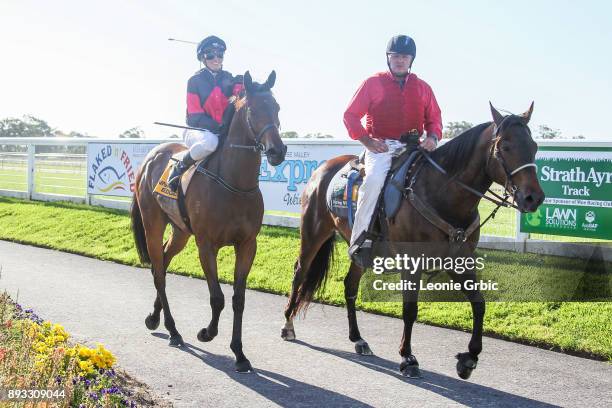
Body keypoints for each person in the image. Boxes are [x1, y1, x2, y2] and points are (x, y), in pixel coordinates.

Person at [343, 34, 443, 265]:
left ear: (411, 60)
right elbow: (350, 116)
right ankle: (360, 241)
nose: (400, 60)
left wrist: (434, 137)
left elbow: (435, 117)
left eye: (405, 57)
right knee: (374, 181)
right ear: (388, 58)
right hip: (381, 147)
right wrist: (367, 142)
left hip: (413, 146)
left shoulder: (423, 87)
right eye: (395, 56)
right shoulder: (372, 83)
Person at [168, 35, 243, 189]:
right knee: (210, 143)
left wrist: (242, 87)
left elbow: (239, 95)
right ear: (202, 58)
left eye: (219, 54)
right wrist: (218, 127)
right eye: (210, 55)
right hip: (197, 130)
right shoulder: (194, 81)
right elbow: (195, 117)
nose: (216, 59)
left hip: (222, 131)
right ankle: (180, 166)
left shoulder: (229, 78)